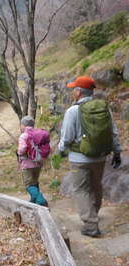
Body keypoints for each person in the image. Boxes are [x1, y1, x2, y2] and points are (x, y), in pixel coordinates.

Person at [58, 76, 121, 238]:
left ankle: (91, 225)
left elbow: (66, 137)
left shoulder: (73, 111)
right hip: (100, 157)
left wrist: (61, 150)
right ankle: (93, 213)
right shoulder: (104, 109)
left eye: (74, 89)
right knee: (96, 186)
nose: (73, 92)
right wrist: (117, 152)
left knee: (80, 189)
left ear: (79, 92)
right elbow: (113, 132)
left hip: (79, 159)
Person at [17, 116, 48, 207]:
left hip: (27, 163)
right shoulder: (38, 133)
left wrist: (18, 152)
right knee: (34, 182)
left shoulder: (24, 135)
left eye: (21, 124)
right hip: (38, 162)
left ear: (24, 125)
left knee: (28, 185)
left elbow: (22, 149)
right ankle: (34, 200)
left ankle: (41, 200)